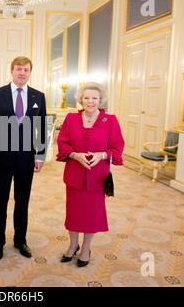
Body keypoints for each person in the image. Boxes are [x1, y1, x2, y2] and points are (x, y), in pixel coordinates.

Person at [0, 56, 47, 260]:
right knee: (0, 200)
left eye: (26, 69)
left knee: (23, 200)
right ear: (11, 71)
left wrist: (40, 155)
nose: (22, 73)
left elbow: (41, 127)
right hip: (1, 157)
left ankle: (20, 240)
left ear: (30, 72)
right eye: (19, 69)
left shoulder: (38, 96)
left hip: (26, 157)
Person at [56, 82, 124, 267]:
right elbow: (62, 142)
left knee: (91, 214)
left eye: (95, 98)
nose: (91, 101)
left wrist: (102, 155)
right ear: (81, 99)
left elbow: (117, 148)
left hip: (97, 177)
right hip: (75, 174)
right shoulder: (71, 118)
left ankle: (86, 249)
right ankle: (72, 245)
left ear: (100, 100)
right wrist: (74, 155)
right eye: (87, 97)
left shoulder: (110, 120)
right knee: (74, 213)